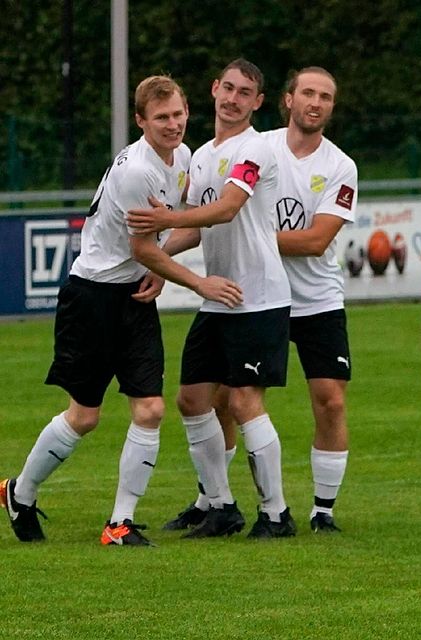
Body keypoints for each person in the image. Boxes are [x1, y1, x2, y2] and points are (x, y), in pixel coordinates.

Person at [0, 75, 242, 546]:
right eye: (160, 119)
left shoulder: (185, 156)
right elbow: (142, 247)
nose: (172, 126)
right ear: (140, 121)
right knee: (84, 416)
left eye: (177, 115)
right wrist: (197, 282)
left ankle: (119, 524)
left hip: (132, 295)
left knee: (150, 409)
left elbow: (155, 244)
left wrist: (159, 265)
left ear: (187, 109)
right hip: (91, 297)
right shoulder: (137, 171)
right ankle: (19, 492)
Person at [162, 66, 358, 534]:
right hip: (244, 293)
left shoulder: (339, 165)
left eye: (326, 97)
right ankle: (214, 500)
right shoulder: (253, 146)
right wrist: (153, 256)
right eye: (308, 93)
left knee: (328, 400)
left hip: (311, 298)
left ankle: (320, 510)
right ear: (286, 100)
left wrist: (246, 233)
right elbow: (206, 218)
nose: (316, 102)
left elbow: (315, 241)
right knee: (219, 399)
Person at [127, 59, 296, 539]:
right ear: (213, 89)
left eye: (245, 92)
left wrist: (165, 223)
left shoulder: (256, 147)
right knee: (192, 399)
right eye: (228, 87)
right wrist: (157, 261)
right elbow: (196, 228)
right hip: (219, 297)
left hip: (258, 296)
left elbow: (224, 210)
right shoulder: (199, 155)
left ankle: (276, 513)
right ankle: (220, 506)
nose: (233, 98)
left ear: (258, 102)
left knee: (244, 402)